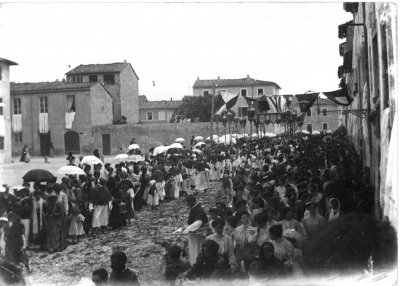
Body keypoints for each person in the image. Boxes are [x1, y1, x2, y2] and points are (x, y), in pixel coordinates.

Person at [182, 195, 208, 266]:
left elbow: (199, 222)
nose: (187, 204)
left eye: (188, 202)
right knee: (193, 249)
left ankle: (196, 264)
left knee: (196, 250)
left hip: (197, 235)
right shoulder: (194, 208)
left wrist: (188, 229)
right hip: (193, 234)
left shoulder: (198, 209)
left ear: (192, 201)